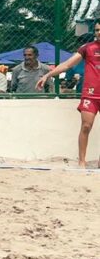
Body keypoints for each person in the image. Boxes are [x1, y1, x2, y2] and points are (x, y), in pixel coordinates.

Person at [36, 23, 100, 168]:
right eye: (97, 30)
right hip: (90, 95)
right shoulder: (87, 48)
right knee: (86, 126)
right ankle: (82, 162)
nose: (99, 32)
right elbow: (67, 65)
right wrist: (47, 75)